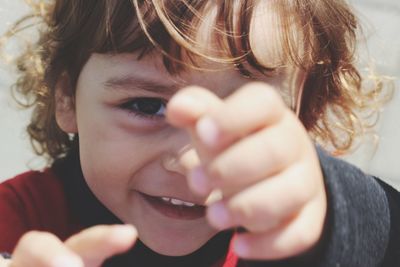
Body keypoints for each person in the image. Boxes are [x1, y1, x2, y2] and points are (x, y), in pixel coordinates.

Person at [0, 0, 399, 266]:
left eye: (241, 115)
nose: (193, 161)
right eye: (146, 106)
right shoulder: (20, 221)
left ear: (302, 114)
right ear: (67, 97)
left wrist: (330, 217)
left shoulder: (289, 226)